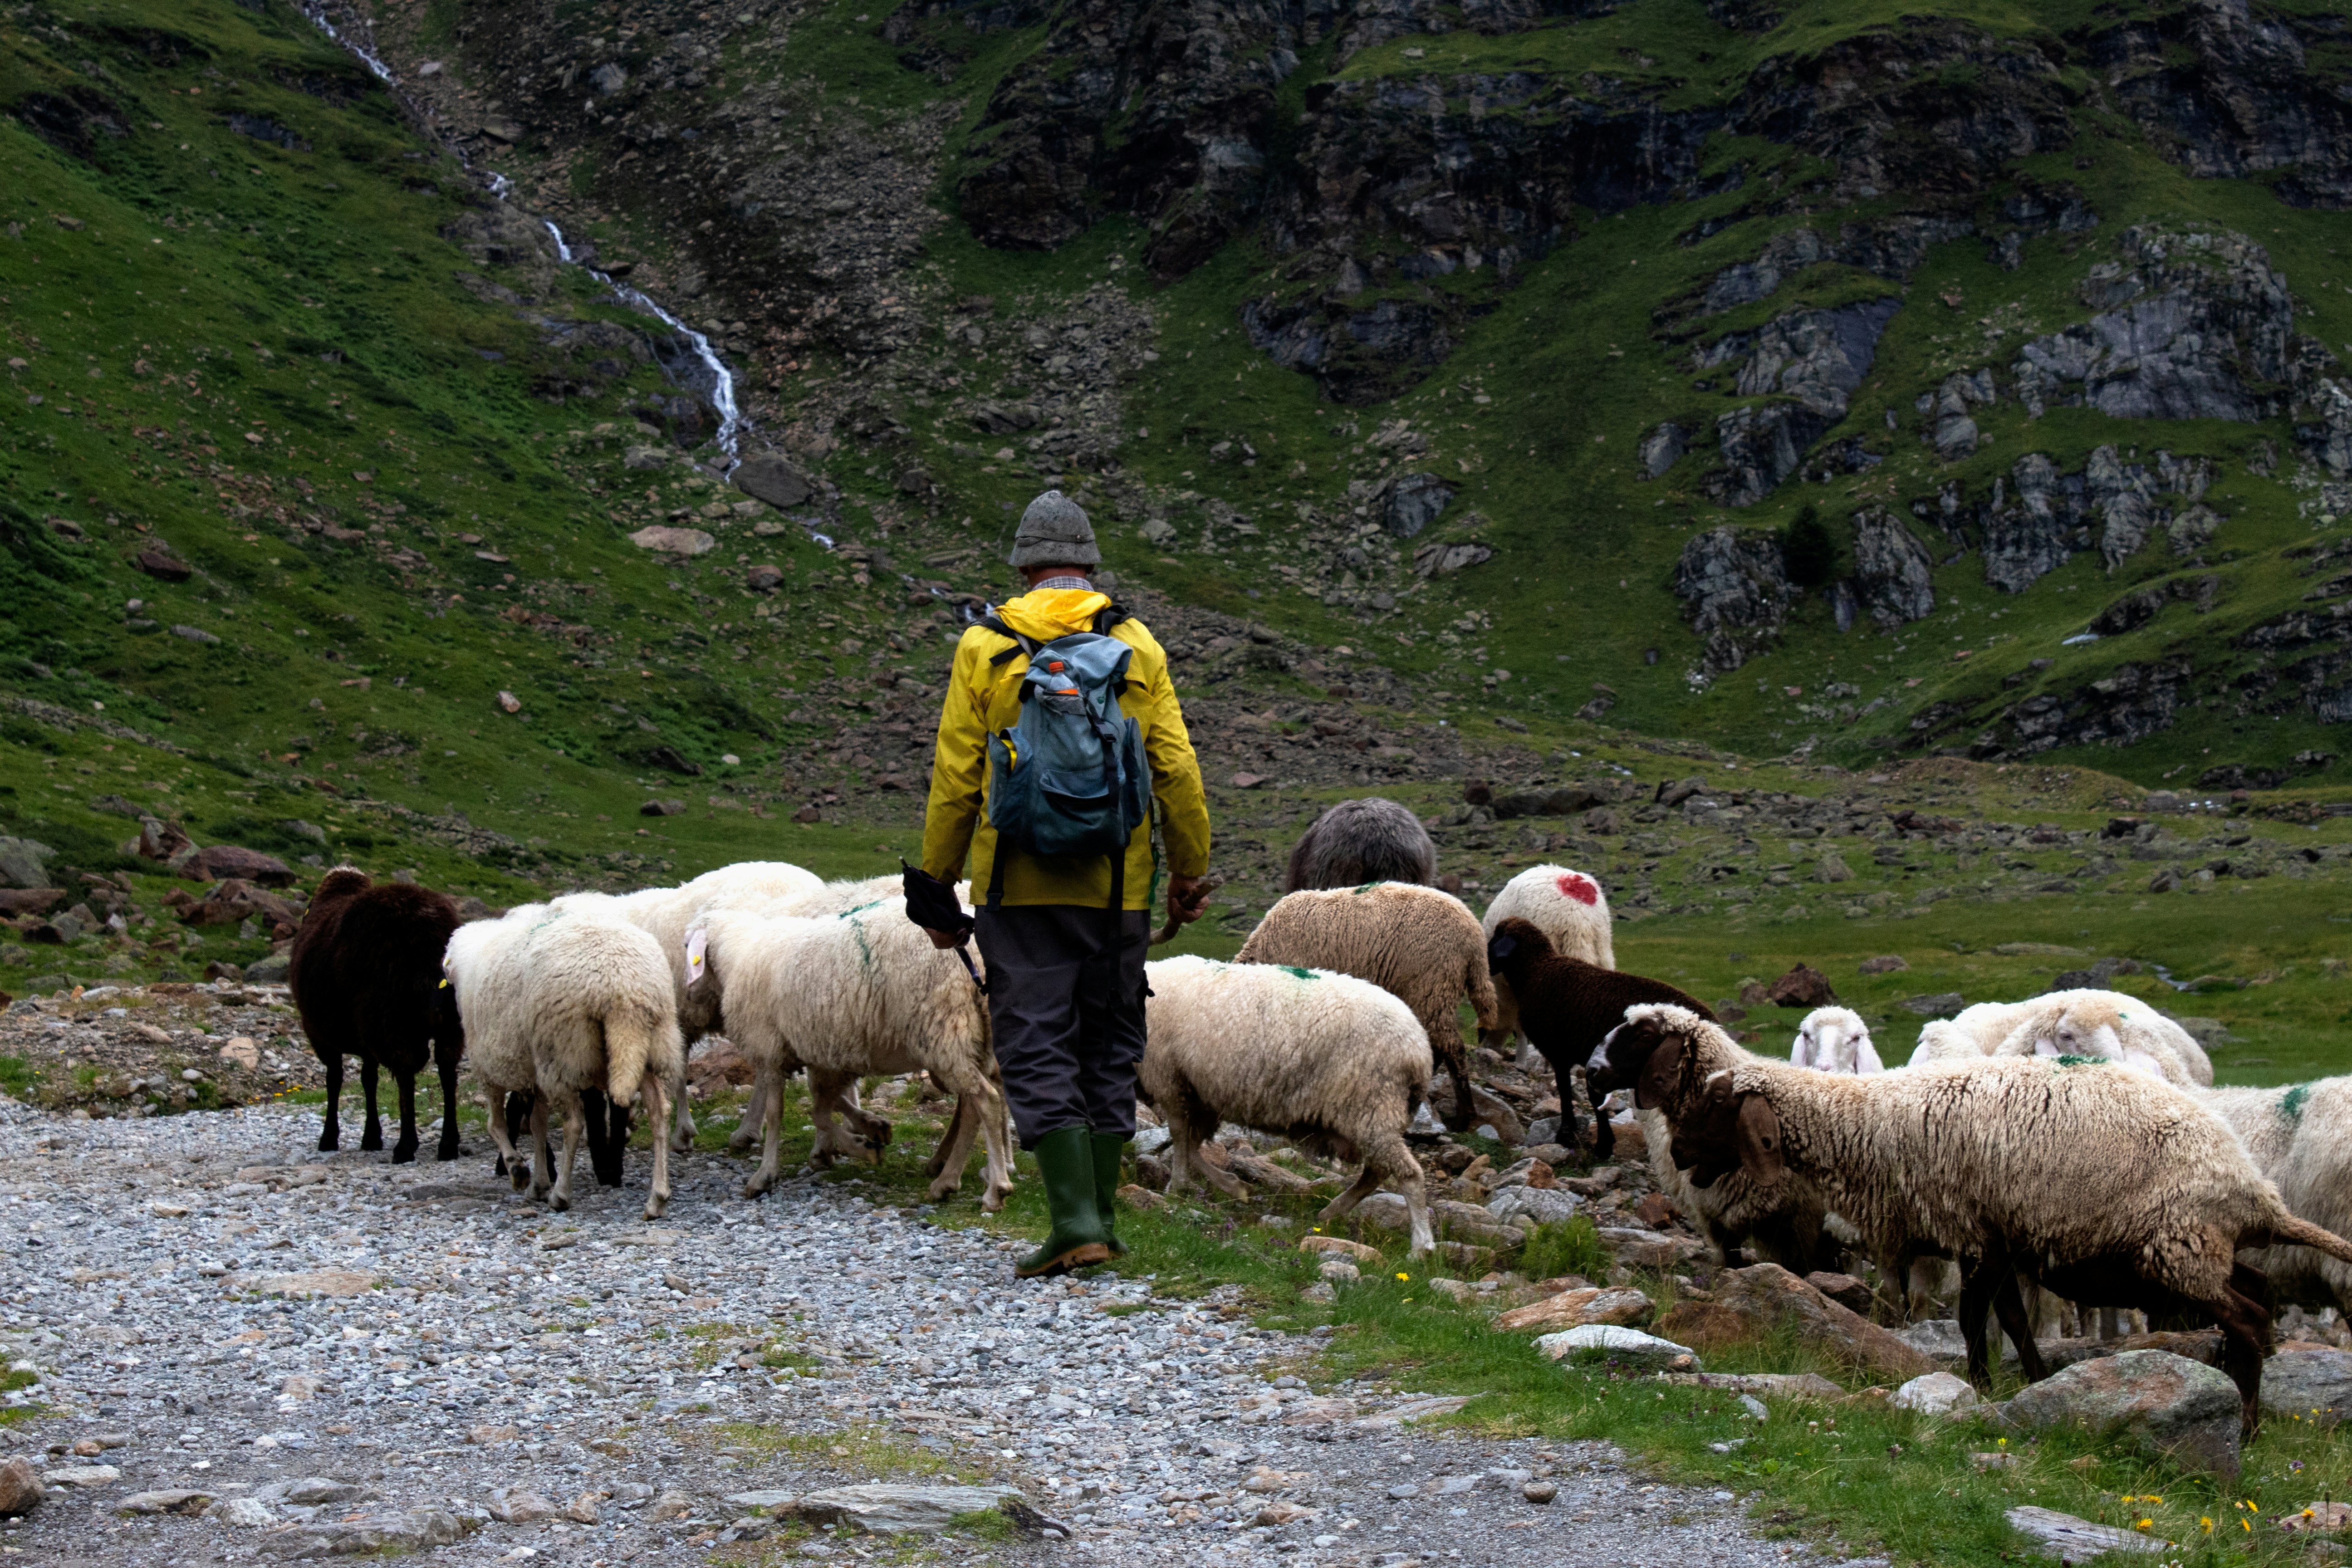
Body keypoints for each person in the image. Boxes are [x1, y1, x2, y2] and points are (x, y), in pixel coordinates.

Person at [911, 490, 1212, 1278]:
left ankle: (1074, 1220)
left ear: (1022, 565)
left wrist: (937, 884)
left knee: (1036, 1042)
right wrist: (1189, 869)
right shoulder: (1136, 643)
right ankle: (1102, 1221)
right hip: (1121, 885)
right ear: (1088, 564)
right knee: (1110, 1046)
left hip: (1019, 885)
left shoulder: (985, 645)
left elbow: (956, 777)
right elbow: (1176, 768)